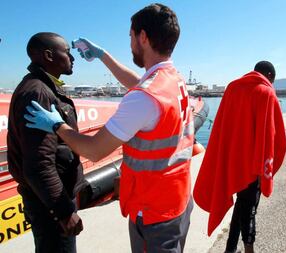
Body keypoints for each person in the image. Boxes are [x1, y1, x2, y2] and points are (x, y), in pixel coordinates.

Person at [24, 4, 194, 253]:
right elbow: (140, 85)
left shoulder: (144, 97)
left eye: (131, 36)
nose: (130, 44)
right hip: (178, 199)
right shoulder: (173, 79)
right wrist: (103, 56)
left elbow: (93, 150)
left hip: (153, 211)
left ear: (143, 37)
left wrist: (56, 125)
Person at [193, 61, 286, 253]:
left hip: (232, 162)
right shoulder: (267, 93)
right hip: (254, 166)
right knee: (249, 209)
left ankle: (230, 248)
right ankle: (249, 249)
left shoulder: (232, 88)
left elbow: (223, 127)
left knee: (241, 205)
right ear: (269, 75)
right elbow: (275, 137)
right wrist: (269, 167)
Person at [7, 32, 84, 253]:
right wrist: (63, 211)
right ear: (49, 55)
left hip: (46, 199)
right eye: (67, 53)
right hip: (48, 205)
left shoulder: (42, 87)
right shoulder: (38, 93)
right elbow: (39, 163)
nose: (72, 58)